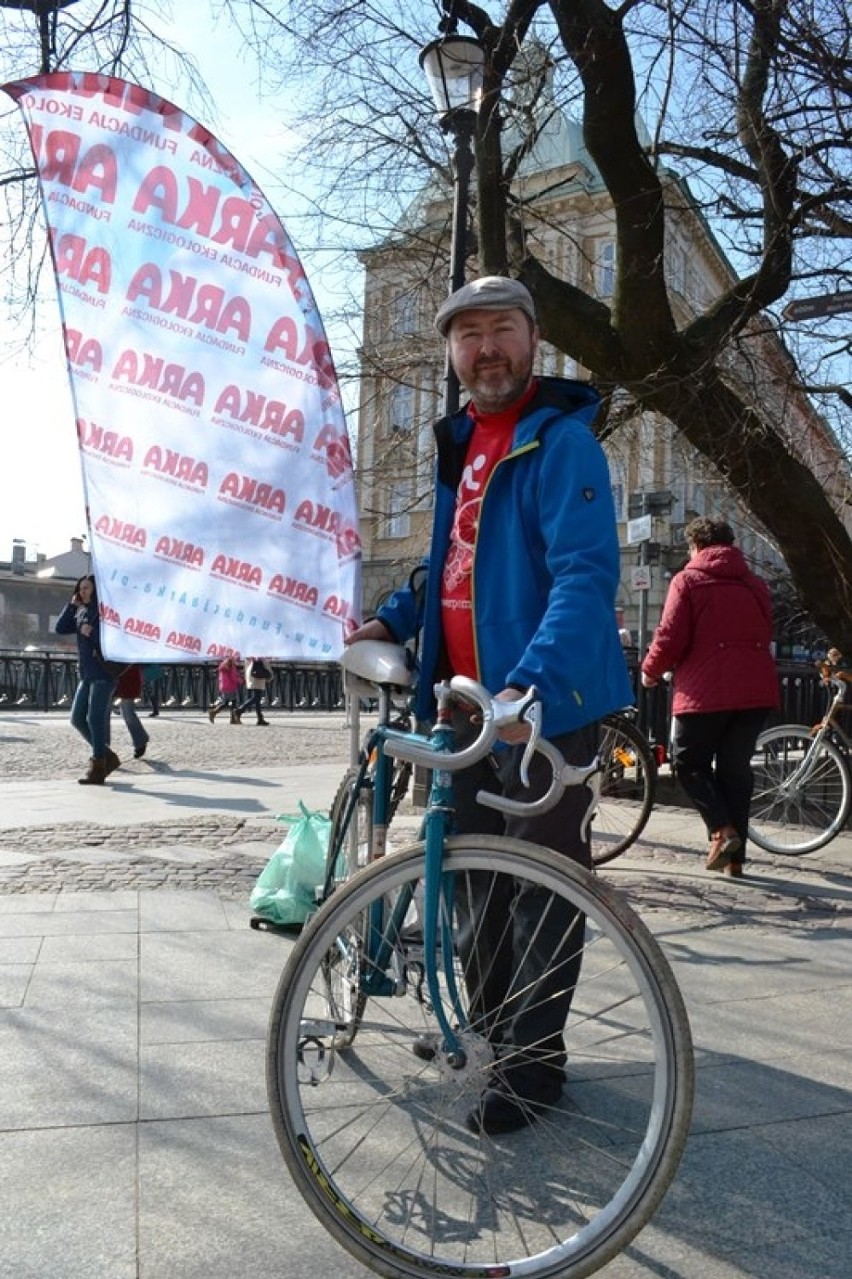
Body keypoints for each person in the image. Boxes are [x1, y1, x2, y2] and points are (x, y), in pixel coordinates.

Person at [345, 275, 632, 1134]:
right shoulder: (460, 442)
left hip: (545, 706)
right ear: (451, 353)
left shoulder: (562, 444)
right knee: (472, 885)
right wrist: (391, 615)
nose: (485, 347)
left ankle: (535, 1066)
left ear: (534, 339)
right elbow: (452, 565)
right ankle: (492, 1030)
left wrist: (527, 683)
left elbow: (585, 576)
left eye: (501, 328)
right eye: (467, 334)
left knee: (542, 889)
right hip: (465, 703)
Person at [641, 517, 779, 877]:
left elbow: (670, 635)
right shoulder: (756, 585)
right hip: (755, 691)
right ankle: (735, 860)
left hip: (704, 691)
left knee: (688, 763)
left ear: (696, 546)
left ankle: (722, 829)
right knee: (735, 771)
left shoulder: (687, 580)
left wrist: (650, 670)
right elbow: (765, 630)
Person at [54, 574, 121, 784]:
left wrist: (91, 633)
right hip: (87, 673)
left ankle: (98, 768)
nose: (82, 591)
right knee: (76, 719)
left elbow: (113, 641)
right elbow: (60, 628)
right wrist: (71, 606)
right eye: (80, 588)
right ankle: (107, 756)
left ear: (95, 590)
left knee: (94, 719)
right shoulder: (81, 610)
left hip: (103, 673)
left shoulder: (103, 613)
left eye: (86, 588)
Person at [115, 664, 150, 758]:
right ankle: (141, 739)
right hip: (123, 677)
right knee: (126, 712)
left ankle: (140, 740)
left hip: (126, 678)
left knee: (128, 713)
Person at [237, 656, 272, 725]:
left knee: (257, 700)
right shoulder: (258, 657)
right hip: (257, 678)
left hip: (254, 676)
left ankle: (260, 718)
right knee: (256, 698)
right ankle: (239, 710)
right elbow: (265, 665)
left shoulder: (251, 657)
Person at [208, 655, 243, 723]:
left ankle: (231, 718)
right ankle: (214, 713)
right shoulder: (231, 665)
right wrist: (241, 681)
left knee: (227, 702)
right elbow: (233, 677)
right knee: (232, 702)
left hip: (224, 686)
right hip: (230, 686)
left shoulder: (224, 664)